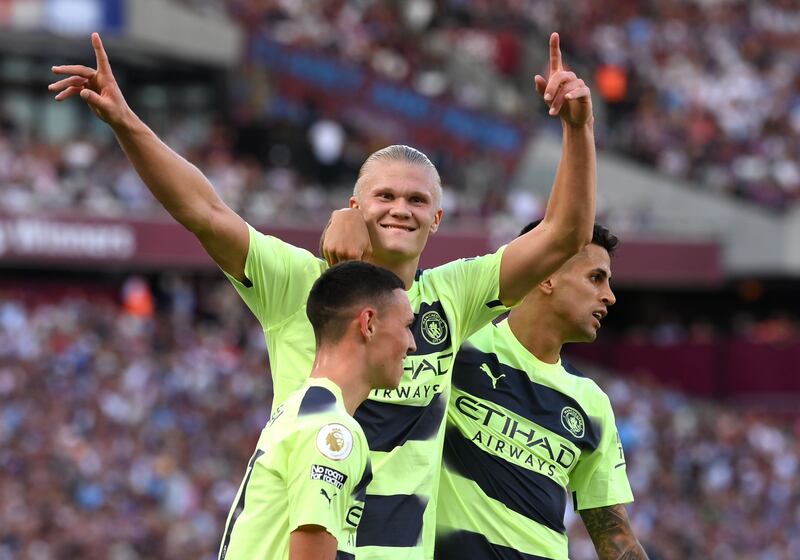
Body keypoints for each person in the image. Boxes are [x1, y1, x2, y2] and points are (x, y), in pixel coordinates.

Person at [50, 31, 596, 558]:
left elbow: (565, 236)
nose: (399, 208)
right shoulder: (300, 285)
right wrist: (126, 123)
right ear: (355, 206)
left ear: (437, 218)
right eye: (383, 195)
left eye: (415, 199)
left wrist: (578, 129)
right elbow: (206, 213)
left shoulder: (455, 295)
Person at [434, 221, 649, 560]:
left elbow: (615, 536)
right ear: (547, 275)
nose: (610, 295)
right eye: (596, 277)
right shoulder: (460, 346)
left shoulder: (591, 403)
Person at [220, 261, 416, 560]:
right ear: (369, 324)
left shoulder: (301, 409)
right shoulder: (332, 432)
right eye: (407, 326)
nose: (412, 344)